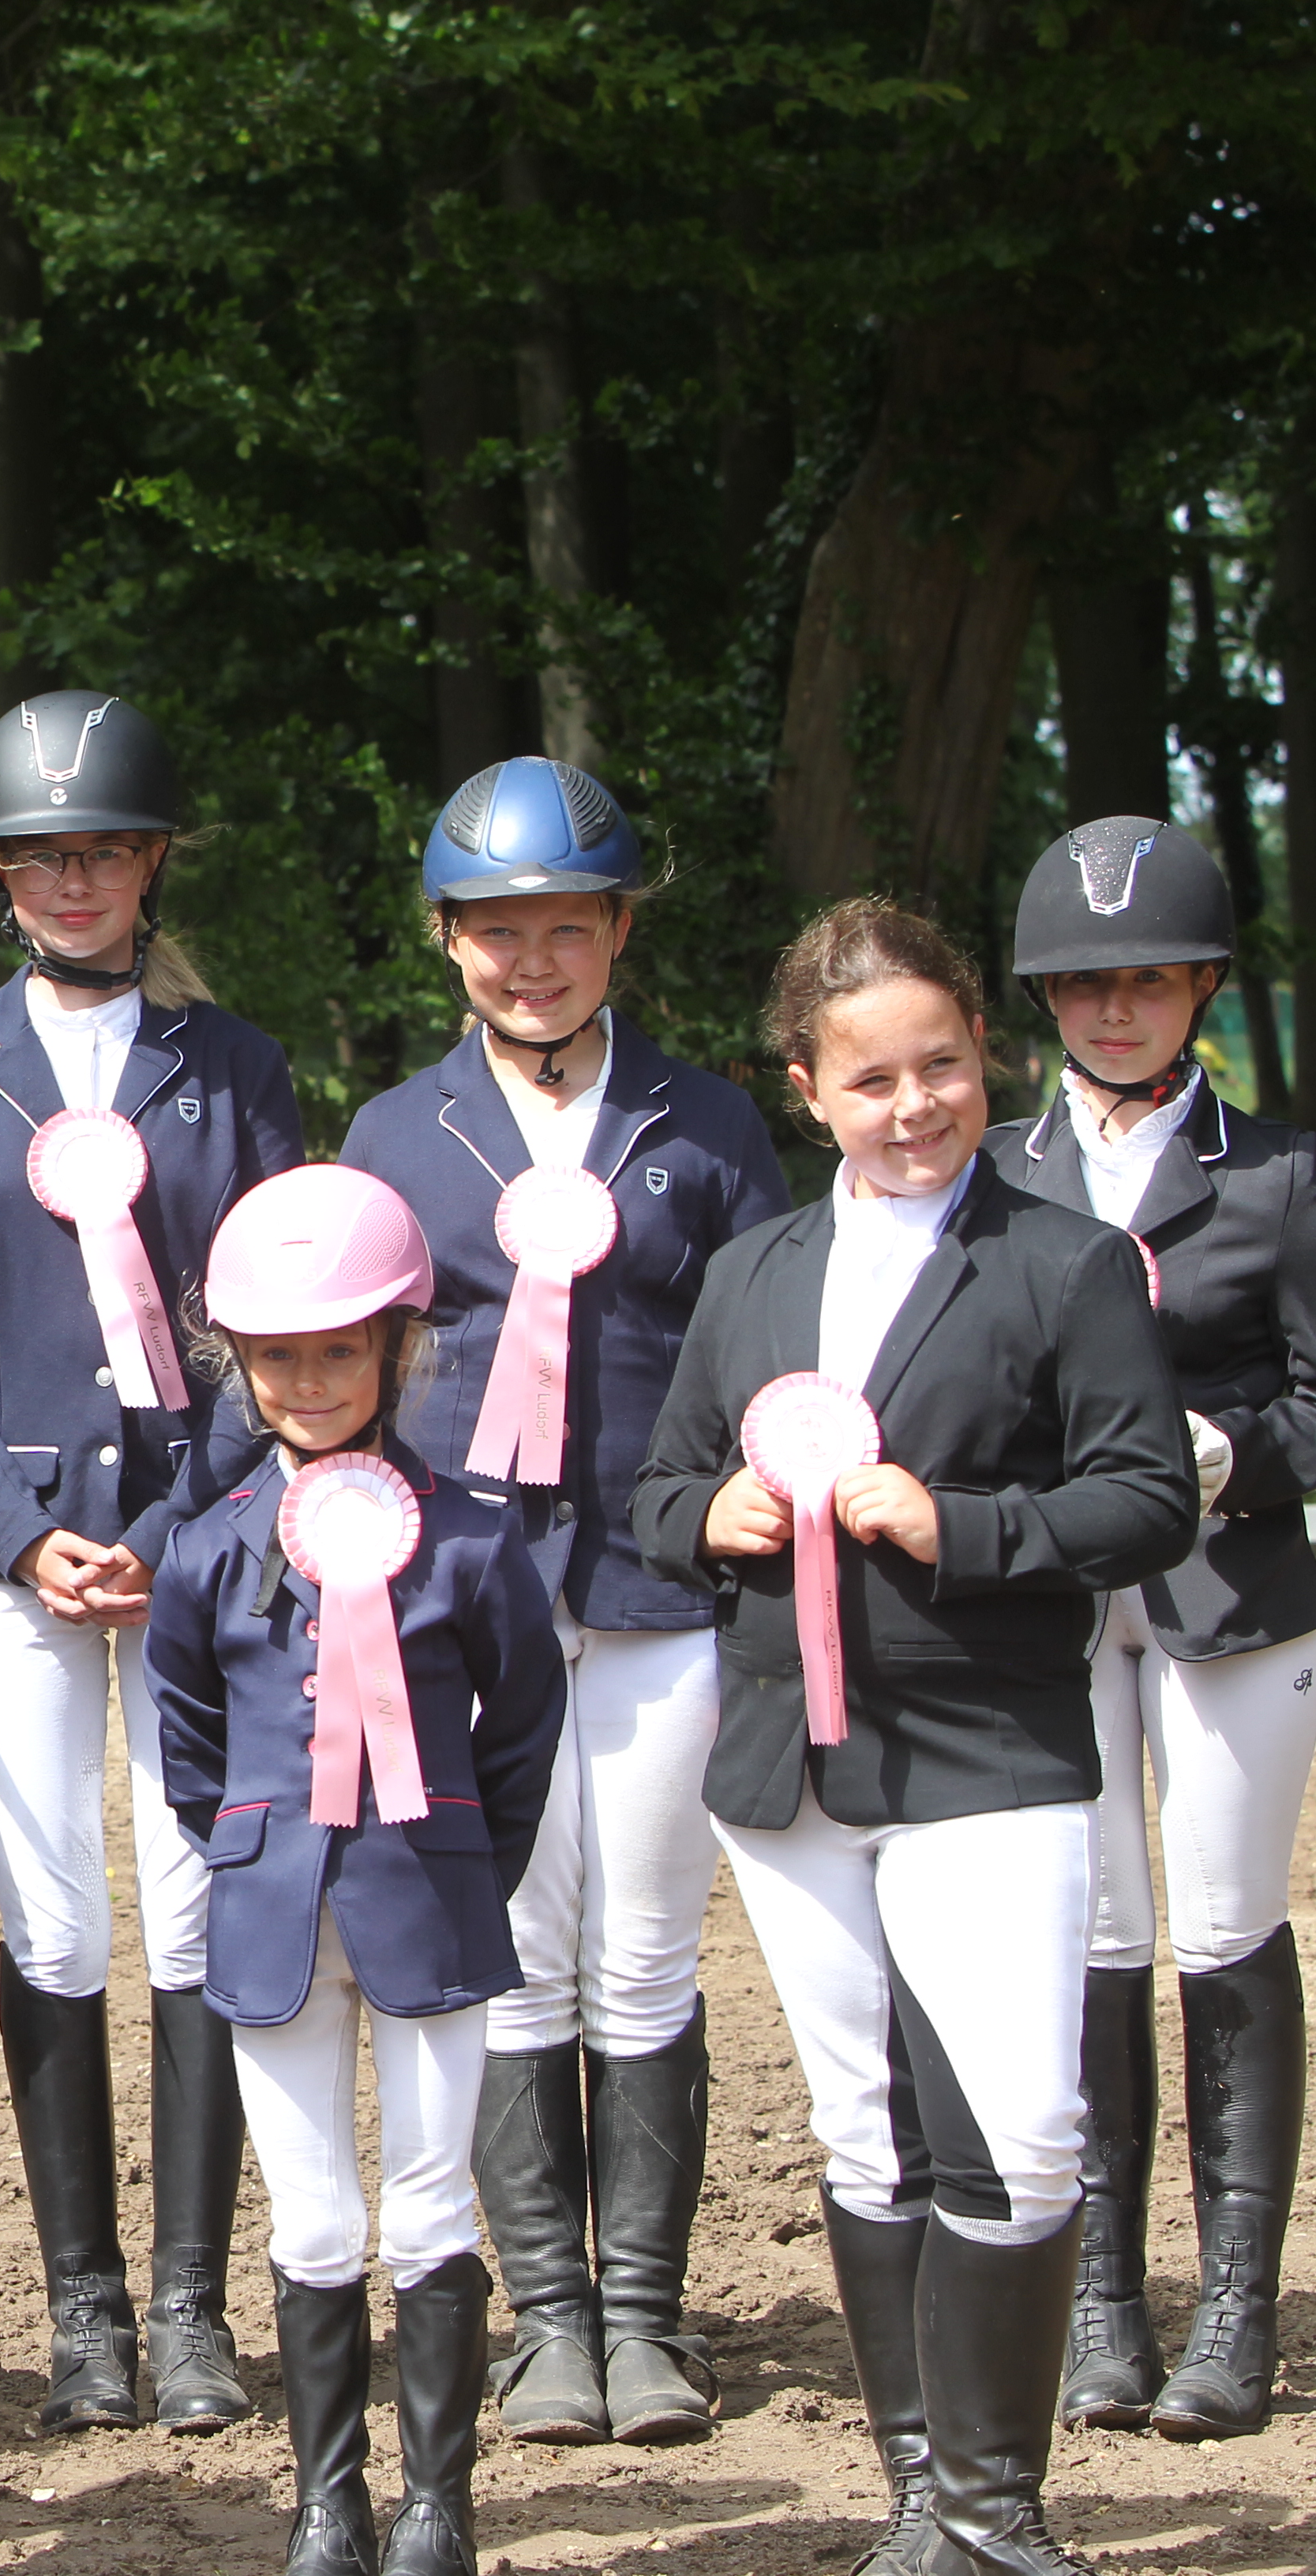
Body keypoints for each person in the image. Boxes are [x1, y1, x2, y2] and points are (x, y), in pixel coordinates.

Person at [632, 898, 1191, 2576]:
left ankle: (1000, 2508)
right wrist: (710, 1512)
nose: (916, 1104)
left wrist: (968, 1526)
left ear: (981, 1058)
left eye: (943, 1065)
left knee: (1018, 2127)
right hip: (788, 1770)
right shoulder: (752, 1275)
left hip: (990, 1749)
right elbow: (657, 1490)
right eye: (874, 1078)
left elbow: (1147, 1493)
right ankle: (917, 2505)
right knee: (862, 2130)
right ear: (810, 1086)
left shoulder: (1066, 1263)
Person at [336, 758, 788, 2447]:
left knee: (650, 1951)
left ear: (616, 933)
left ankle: (651, 2319)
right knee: (519, 1949)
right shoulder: (398, 1133)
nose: (534, 961)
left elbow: (768, 1343)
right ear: (453, 944)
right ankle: (547, 2322)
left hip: (665, 1587)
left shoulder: (708, 1123)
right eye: (499, 933)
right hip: (465, 1601)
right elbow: (348, 1371)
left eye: (568, 929)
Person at [0, 688, 298, 2432]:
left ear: (151, 864)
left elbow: (274, 1320)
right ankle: (87, 2312)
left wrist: (176, 1522)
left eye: (105, 850)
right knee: (55, 1913)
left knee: (194, 1899)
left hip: (196, 1541)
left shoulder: (239, 1069)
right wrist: (17, 1526)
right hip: (12, 1561)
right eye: (43, 855)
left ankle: (195, 2305)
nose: (76, 879)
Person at [150, 1163, 567, 2576]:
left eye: (341, 1348)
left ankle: (437, 2502)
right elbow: (190, 1742)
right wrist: (258, 1856)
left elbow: (520, 1725)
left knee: (434, 2199)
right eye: (280, 1353)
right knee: (316, 2208)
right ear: (240, 1363)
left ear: (395, 1346)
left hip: (431, 1896)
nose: (311, 1377)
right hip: (272, 1913)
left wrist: (458, 1858)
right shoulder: (208, 1550)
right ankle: (327, 2498)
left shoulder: (472, 1537)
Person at [988, 819, 1316, 2441]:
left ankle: (1236, 2305)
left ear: (1200, 985)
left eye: (1146, 979)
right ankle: (1108, 2302)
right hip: (1057, 1596)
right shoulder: (995, 1170)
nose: (1115, 1009)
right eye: (1083, 984)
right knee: (1097, 1932)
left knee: (1225, 1925)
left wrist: (1237, 1454)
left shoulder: (1279, 1179)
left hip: (1229, 1594)